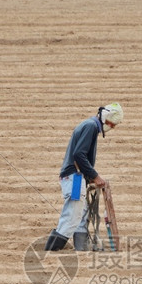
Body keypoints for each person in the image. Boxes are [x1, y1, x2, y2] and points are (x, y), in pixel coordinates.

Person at [44, 103, 123, 251]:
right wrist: (95, 176)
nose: (112, 127)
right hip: (75, 177)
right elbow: (79, 154)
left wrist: (91, 176)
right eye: (113, 124)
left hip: (77, 177)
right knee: (73, 214)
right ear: (107, 118)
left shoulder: (90, 125)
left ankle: (82, 247)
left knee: (81, 212)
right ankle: (52, 249)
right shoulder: (91, 126)